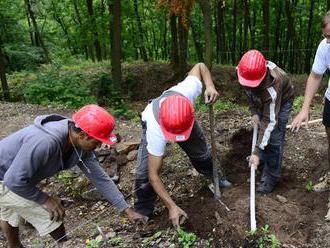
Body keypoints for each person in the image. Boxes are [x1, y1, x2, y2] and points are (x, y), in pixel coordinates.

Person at [0, 104, 144, 248]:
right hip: (6, 178)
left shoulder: (80, 146)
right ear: (82, 135)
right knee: (51, 212)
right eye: (98, 141)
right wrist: (45, 199)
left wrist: (126, 209)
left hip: (12, 176)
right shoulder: (46, 142)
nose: (100, 146)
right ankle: (64, 244)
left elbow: (99, 178)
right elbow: (13, 181)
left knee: (10, 213)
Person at [134, 63, 232, 227]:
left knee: (201, 154)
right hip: (158, 121)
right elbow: (154, 175)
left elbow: (200, 66)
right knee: (144, 172)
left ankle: (217, 178)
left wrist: (209, 85)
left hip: (185, 122)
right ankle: (143, 211)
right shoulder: (154, 128)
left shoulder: (188, 89)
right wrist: (171, 206)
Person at [237, 50, 294, 193]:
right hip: (263, 98)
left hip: (283, 100)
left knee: (274, 137)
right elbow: (248, 92)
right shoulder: (243, 71)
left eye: (252, 84)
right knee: (264, 133)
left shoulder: (273, 88)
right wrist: (254, 112)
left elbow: (269, 121)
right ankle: (262, 157)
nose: (248, 86)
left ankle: (271, 176)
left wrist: (255, 152)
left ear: (262, 77)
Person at [291, 11, 330, 220]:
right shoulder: (325, 46)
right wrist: (305, 108)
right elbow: (316, 75)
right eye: (325, 36)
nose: (327, 41)